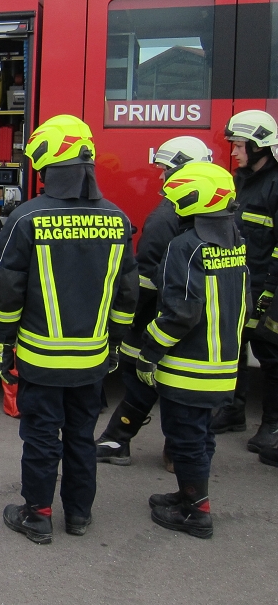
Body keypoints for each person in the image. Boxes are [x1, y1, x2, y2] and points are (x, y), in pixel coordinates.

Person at [0, 114, 137, 544]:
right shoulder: (117, 219)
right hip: (92, 360)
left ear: (48, 163)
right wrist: (114, 344)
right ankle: (78, 515)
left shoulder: (26, 218)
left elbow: (6, 291)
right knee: (80, 437)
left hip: (40, 360)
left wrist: (4, 344)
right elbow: (127, 293)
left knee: (41, 437)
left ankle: (37, 515)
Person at [134, 162, 249, 539]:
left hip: (188, 367)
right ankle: (189, 495)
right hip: (223, 365)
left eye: (176, 196)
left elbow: (180, 313)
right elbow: (243, 302)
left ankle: (196, 513)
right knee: (201, 436)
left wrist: (149, 350)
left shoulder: (185, 246)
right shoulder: (234, 241)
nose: (171, 202)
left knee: (184, 437)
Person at [96, 136, 213, 467]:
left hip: (157, 315)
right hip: (197, 317)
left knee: (139, 375)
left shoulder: (166, 215)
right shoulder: (219, 215)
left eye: (165, 169)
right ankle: (176, 451)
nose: (161, 176)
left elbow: (146, 277)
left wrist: (129, 316)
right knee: (186, 391)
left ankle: (119, 441)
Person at [210, 110, 278, 454]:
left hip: (268, 287)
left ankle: (272, 425)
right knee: (234, 348)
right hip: (241, 282)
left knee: (271, 356)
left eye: (238, 145)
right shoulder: (242, 181)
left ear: (258, 145)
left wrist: (270, 291)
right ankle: (232, 411)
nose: (234, 152)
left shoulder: (275, 184)